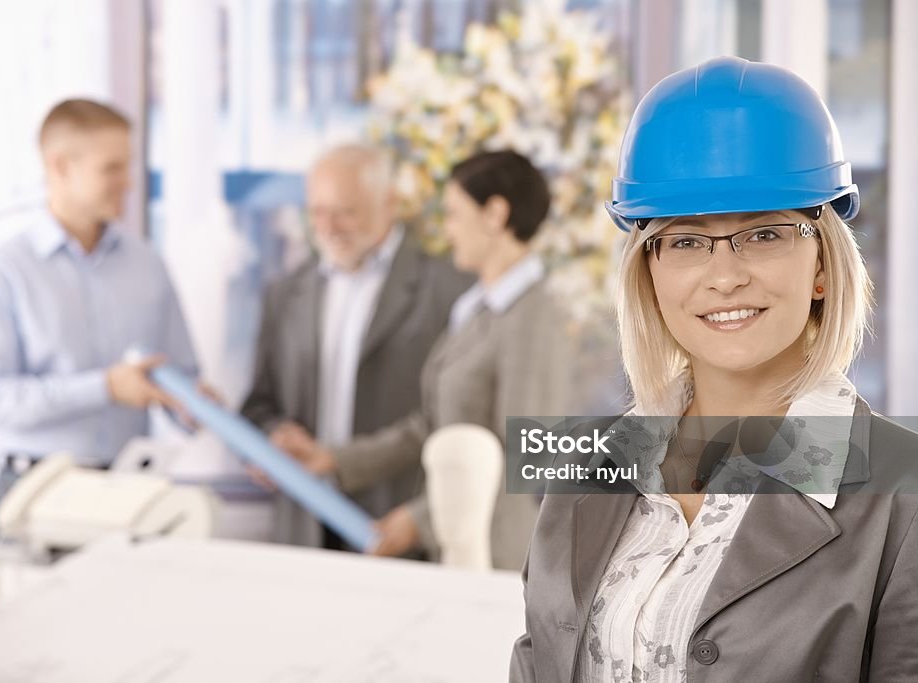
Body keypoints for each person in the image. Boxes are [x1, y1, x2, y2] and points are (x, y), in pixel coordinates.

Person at [510, 56, 918, 682]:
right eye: (686, 241)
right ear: (649, 270)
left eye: (764, 234)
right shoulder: (590, 468)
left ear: (820, 264)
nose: (725, 277)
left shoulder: (903, 498)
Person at [279, 150, 615, 570]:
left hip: (497, 555)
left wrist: (420, 520)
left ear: (494, 214)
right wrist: (336, 459)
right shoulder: (477, 310)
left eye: (454, 214)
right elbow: (432, 424)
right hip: (459, 546)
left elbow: (525, 455)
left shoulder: (533, 317)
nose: (447, 229)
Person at [0, 99, 205, 523]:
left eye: (127, 166)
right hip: (35, 494)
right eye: (111, 169)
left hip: (130, 491)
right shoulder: (5, 271)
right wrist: (104, 388)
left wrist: (192, 405)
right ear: (60, 167)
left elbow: (180, 374)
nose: (128, 183)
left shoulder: (147, 264)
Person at [240, 143, 472, 549]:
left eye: (346, 211)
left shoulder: (451, 291)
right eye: (317, 212)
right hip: (304, 525)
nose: (328, 227)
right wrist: (275, 437)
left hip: (400, 525)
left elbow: (453, 419)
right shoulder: (285, 293)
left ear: (389, 204)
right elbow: (259, 404)